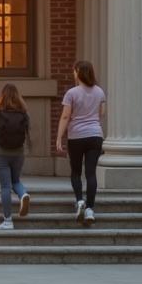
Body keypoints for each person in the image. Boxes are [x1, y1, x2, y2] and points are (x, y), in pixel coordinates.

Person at [55, 61, 106, 224]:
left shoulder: (71, 93)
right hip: (95, 135)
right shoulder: (99, 91)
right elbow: (102, 113)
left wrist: (59, 137)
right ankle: (90, 209)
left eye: (74, 71)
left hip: (76, 136)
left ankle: (80, 201)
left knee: (76, 172)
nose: (73, 73)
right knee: (91, 173)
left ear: (78, 72)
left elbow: (65, 116)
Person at [0, 83, 32, 230]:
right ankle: (23, 194)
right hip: (18, 152)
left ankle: (8, 221)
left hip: (0, 152)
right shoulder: (23, 111)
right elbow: (29, 129)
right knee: (15, 180)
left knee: (5, 185)